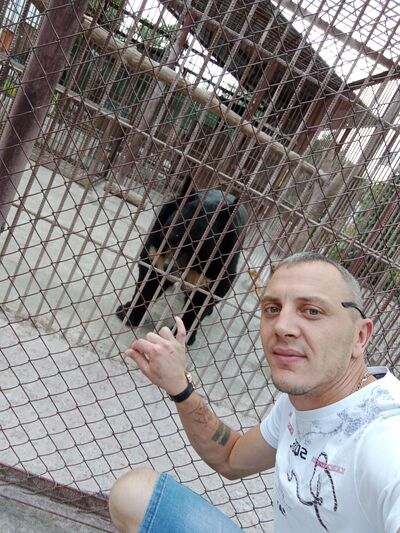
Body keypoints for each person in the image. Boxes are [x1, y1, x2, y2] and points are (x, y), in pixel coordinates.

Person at [108, 252, 400, 533]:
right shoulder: (303, 400)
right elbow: (231, 458)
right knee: (133, 495)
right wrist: (180, 388)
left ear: (359, 336)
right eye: (272, 309)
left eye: (312, 311)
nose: (282, 327)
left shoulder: (385, 437)